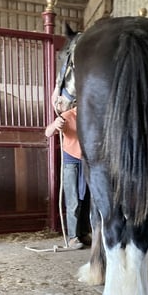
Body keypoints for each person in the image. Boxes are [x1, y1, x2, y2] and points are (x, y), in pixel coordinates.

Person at [45, 106, 86, 249]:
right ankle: (73, 237)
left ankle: (84, 233)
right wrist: (56, 124)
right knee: (73, 200)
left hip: (90, 161)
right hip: (72, 161)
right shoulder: (68, 115)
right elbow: (48, 132)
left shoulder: (95, 113)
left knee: (87, 200)